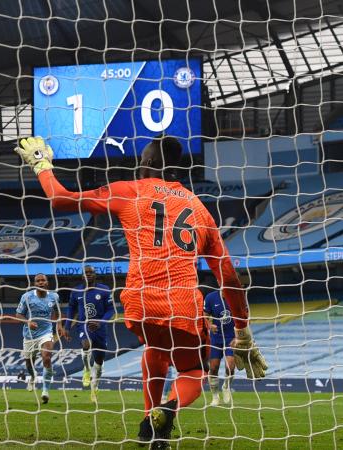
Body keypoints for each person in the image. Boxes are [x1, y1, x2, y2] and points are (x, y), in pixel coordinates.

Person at [15, 136, 267, 448]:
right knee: (191, 371)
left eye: (141, 161)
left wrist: (41, 164)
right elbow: (228, 276)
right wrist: (242, 332)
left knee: (155, 350)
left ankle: (149, 424)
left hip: (140, 302)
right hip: (183, 305)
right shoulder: (200, 211)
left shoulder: (130, 190)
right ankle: (168, 408)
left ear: (146, 165)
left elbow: (60, 198)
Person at [15, 273, 67, 404]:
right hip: (29, 335)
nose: (40, 282)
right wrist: (28, 322)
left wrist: (59, 325)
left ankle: (45, 390)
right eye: (38, 281)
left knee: (47, 357)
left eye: (43, 280)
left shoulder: (54, 296)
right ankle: (32, 377)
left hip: (46, 332)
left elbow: (57, 312)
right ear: (34, 284)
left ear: (47, 282)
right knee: (29, 364)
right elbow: (18, 314)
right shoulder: (27, 297)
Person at [68, 265, 114, 402]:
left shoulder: (104, 290)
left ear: (95, 275)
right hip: (83, 325)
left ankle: (95, 388)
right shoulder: (76, 291)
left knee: (99, 362)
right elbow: (71, 309)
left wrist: (100, 322)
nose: (88, 274)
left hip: (100, 328)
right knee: (86, 344)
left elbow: (111, 310)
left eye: (91, 272)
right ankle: (87, 369)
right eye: (86, 273)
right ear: (82, 276)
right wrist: (67, 326)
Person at [204, 290, 236, 406]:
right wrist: (209, 325)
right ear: (219, 281)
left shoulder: (237, 296)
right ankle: (215, 396)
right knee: (213, 367)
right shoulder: (211, 297)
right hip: (215, 338)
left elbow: (245, 318)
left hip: (231, 338)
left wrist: (238, 337)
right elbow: (204, 316)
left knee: (231, 365)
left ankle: (226, 386)